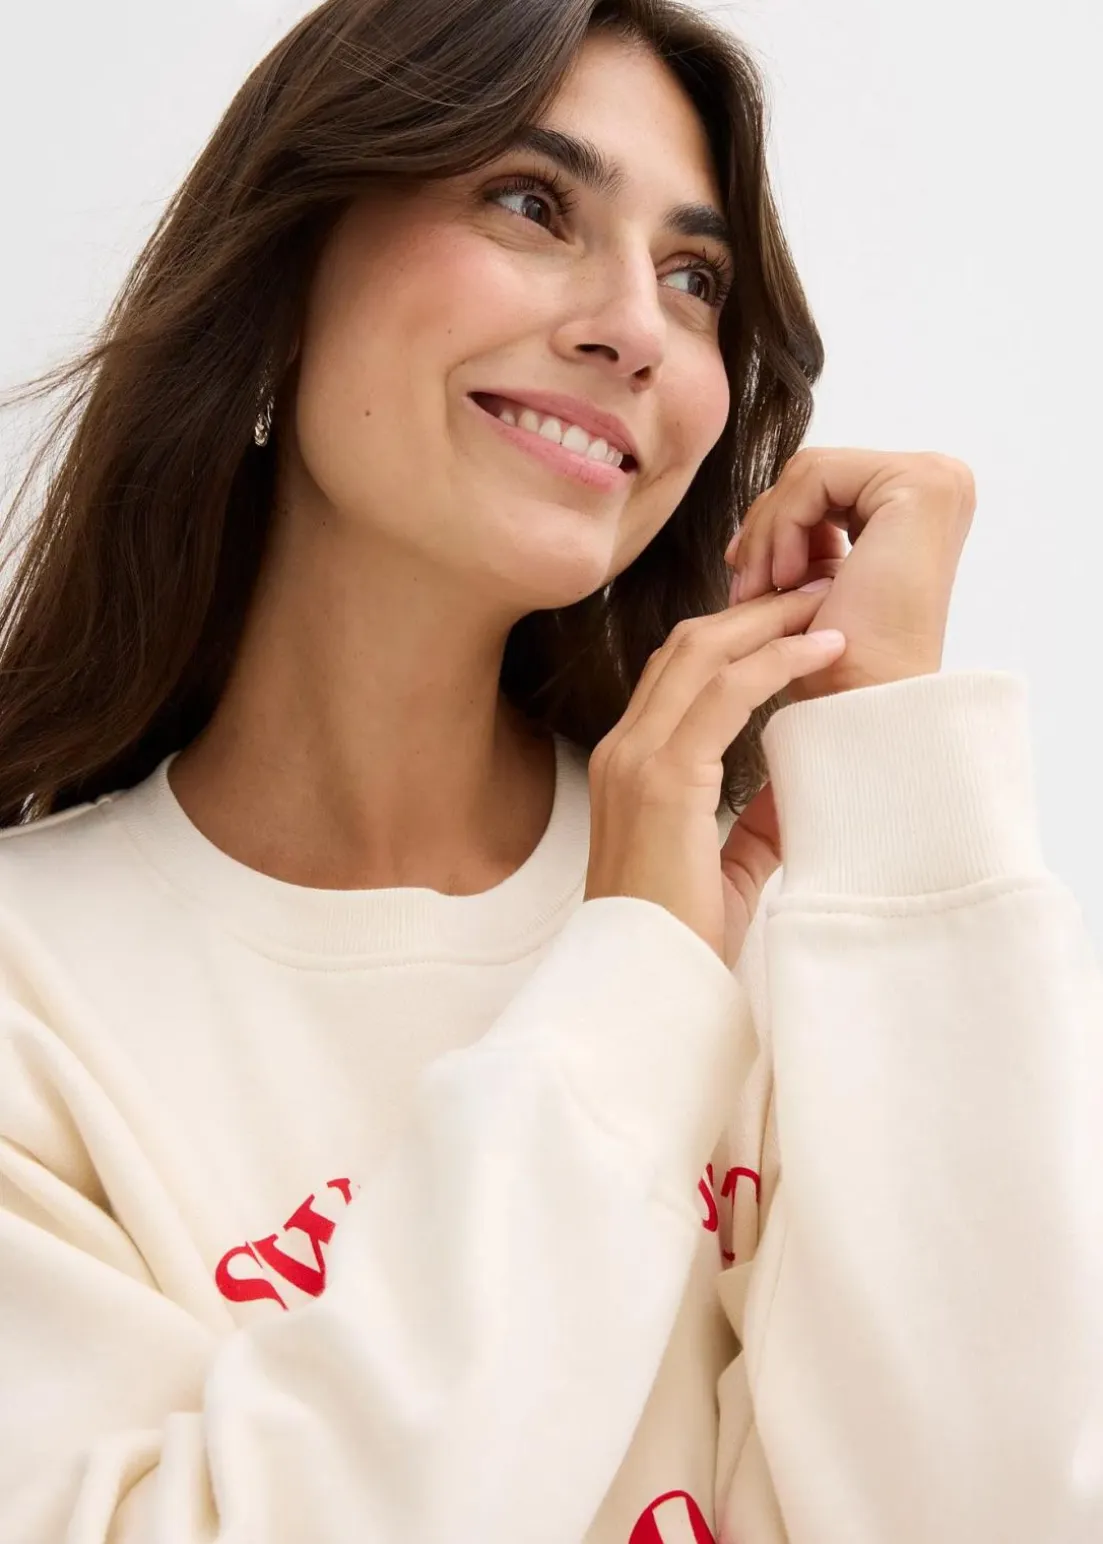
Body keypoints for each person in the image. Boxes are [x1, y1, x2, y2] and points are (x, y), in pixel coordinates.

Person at [0, 0, 1101, 1540]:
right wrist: (632, 977)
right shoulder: (34, 994)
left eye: (694, 279)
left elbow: (981, 1511)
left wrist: (898, 792)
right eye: (530, 203)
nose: (635, 328)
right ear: (285, 280)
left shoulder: (795, 931)